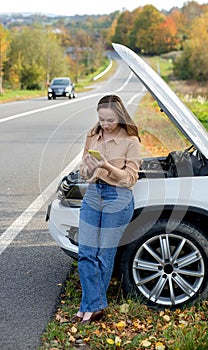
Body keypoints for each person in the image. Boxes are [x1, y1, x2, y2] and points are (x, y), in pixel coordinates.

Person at [71, 94, 141, 325]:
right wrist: (87, 169)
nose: (105, 125)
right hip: (93, 194)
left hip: (118, 198)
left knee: (103, 255)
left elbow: (130, 179)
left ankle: (88, 308)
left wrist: (106, 166)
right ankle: (94, 306)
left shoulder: (131, 141)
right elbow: (84, 168)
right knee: (86, 253)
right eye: (101, 119)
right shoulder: (93, 135)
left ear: (120, 117)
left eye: (109, 120)